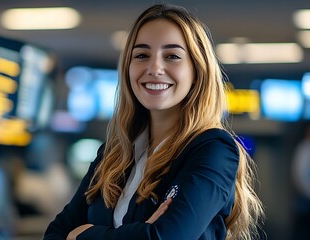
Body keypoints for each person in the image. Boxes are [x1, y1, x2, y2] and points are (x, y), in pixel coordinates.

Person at [44, 4, 264, 240]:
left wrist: (83, 235)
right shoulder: (113, 155)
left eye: (172, 56)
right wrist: (141, 233)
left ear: (197, 71)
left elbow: (164, 237)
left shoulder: (213, 149)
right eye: (141, 55)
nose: (155, 68)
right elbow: (55, 234)